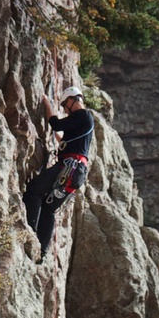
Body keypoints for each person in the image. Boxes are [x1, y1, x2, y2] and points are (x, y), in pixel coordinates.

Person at [23, 87, 94, 262]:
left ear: (73, 100)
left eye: (64, 104)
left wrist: (47, 104)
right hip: (76, 171)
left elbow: (56, 124)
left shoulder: (83, 115)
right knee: (49, 208)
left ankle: (30, 232)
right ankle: (42, 251)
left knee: (34, 190)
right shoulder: (82, 122)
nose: (64, 108)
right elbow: (72, 142)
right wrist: (59, 141)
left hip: (69, 167)